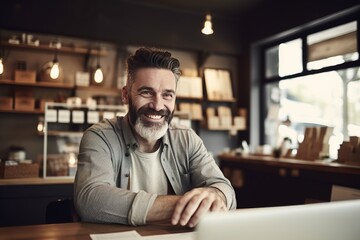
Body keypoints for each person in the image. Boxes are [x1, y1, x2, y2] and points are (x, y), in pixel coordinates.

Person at [74, 47, 236, 228]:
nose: (158, 105)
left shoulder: (187, 139)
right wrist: (188, 206)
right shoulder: (100, 136)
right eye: (146, 92)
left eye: (167, 95)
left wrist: (216, 196)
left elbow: (224, 189)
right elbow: (90, 200)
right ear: (126, 95)